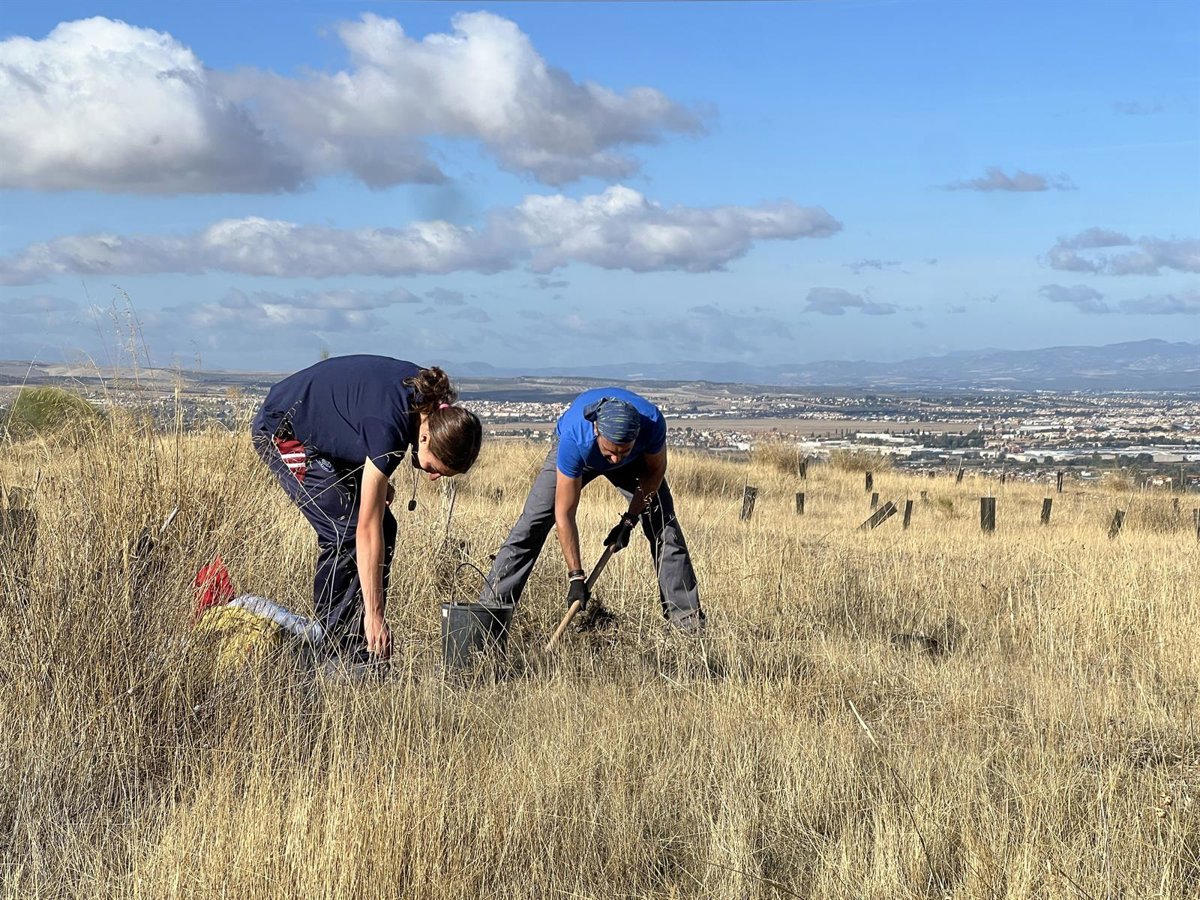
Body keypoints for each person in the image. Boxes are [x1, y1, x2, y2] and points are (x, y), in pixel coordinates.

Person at [251, 355, 482, 662]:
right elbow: (364, 529)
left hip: (325, 438)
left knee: (385, 525)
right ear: (425, 437)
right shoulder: (390, 429)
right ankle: (331, 650)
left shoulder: (425, 403)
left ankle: (358, 645)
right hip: (284, 431)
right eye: (435, 468)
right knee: (343, 530)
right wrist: (376, 616)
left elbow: (359, 415)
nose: (433, 476)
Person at [480, 387, 704, 633]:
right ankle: (488, 617)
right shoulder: (575, 439)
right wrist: (576, 576)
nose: (616, 460)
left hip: (636, 464)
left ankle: (688, 627)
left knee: (665, 527)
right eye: (610, 452)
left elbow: (654, 474)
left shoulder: (652, 425)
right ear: (597, 430)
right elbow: (564, 514)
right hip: (583, 456)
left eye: (623, 451)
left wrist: (630, 520)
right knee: (531, 524)